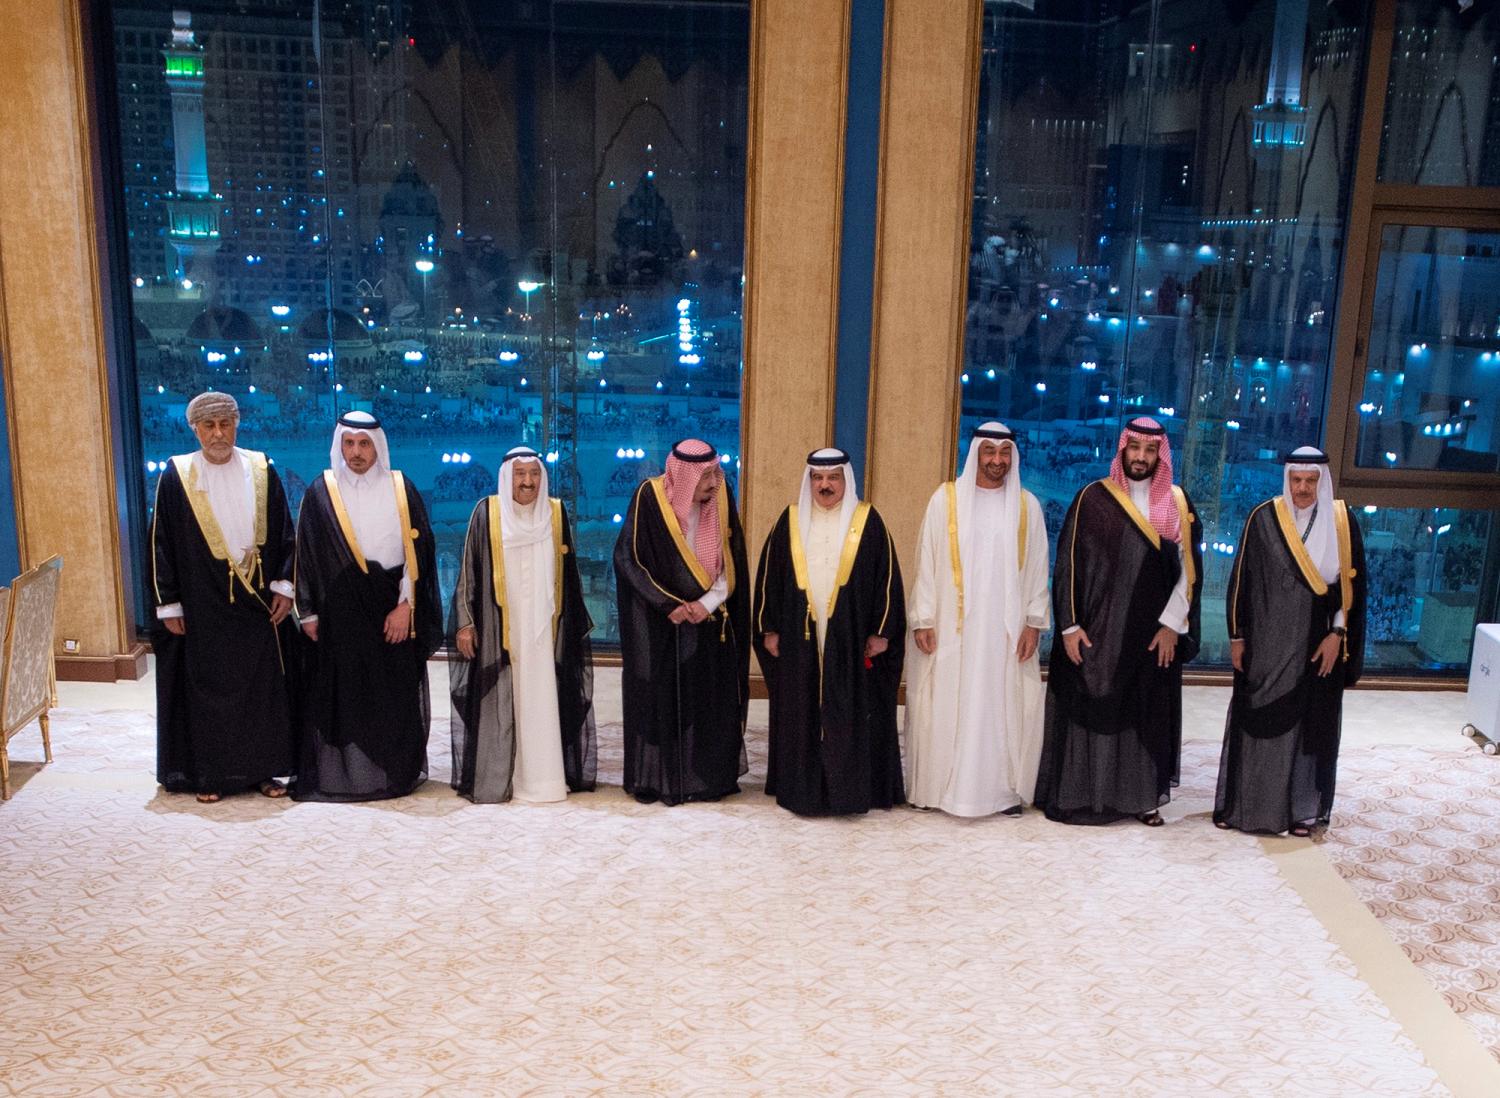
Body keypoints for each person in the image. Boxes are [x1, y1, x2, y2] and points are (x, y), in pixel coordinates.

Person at [1035, 416, 1203, 826]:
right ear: (1122, 450)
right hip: (1096, 632)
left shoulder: (1177, 503)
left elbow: (1189, 572)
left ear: (1159, 455)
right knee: (1091, 708)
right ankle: (1082, 795)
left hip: (1151, 635)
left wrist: (1171, 626)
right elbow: (1068, 566)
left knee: (1142, 712)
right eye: (1135, 449)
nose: (1141, 458)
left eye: (1150, 450)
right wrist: (1070, 626)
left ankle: (1140, 799)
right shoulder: (1093, 498)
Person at [152, 391, 298, 803]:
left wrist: (284, 586)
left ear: (236, 424)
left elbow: (285, 530)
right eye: (209, 425)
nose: (218, 434)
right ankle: (212, 773)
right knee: (211, 690)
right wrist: (169, 604)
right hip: (203, 602)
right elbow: (160, 544)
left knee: (262, 688)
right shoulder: (177, 474)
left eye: (225, 424)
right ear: (194, 429)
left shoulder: (261, 467)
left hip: (257, 603)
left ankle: (265, 770)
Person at [1214, 447, 1367, 836]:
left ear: (1322, 481)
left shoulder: (1341, 522)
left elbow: (1350, 591)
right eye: (1296, 480)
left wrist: (1337, 635)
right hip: (1264, 645)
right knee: (1257, 721)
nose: (1302, 488)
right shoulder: (1263, 518)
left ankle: (1300, 811)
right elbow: (1239, 583)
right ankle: (1244, 805)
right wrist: (1237, 636)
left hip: (1317, 646)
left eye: (1311, 481)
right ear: (1287, 479)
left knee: (1308, 728)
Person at [292, 411, 440, 801]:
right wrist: (308, 612)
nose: (356, 452)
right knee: (344, 695)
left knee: (391, 695)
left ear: (378, 446)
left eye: (364, 444)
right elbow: (305, 555)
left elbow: (420, 550)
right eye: (350, 443)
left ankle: (393, 773)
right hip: (339, 615)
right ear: (340, 445)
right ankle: (345, 777)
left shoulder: (400, 488)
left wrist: (407, 604)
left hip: (390, 609)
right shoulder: (321, 491)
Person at [905, 423, 1050, 817]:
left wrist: (1034, 623)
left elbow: (1038, 569)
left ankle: (1001, 793)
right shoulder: (945, 501)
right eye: (989, 452)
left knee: (1001, 705)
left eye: (1004, 453)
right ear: (975, 454)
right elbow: (927, 562)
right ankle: (940, 790)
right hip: (952, 629)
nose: (997, 460)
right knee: (947, 702)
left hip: (1004, 633)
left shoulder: (1027, 507)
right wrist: (922, 618)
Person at [752, 448, 905, 816]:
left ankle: (848, 791)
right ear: (809, 481)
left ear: (845, 480)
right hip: (800, 636)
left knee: (848, 711)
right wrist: (769, 629)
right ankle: (801, 789)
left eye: (833, 478)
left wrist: (881, 632)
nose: (824, 485)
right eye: (817, 478)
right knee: (801, 709)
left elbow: (888, 581)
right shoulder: (788, 522)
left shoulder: (868, 521)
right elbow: (768, 581)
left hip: (850, 641)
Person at [450, 447, 596, 803]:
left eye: (534, 474)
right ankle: (501, 775)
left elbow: (570, 575)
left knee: (543, 699)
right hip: (500, 625)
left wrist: (572, 628)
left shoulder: (555, 513)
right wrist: (466, 622)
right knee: (501, 697)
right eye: (520, 475)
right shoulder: (488, 512)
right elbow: (468, 569)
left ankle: (545, 780)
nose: (528, 482)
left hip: (544, 631)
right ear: (507, 478)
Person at [613, 439, 749, 805]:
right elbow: (629, 558)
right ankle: (658, 780)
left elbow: (730, 559)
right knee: (662, 702)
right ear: (684, 476)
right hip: (660, 624)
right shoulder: (649, 498)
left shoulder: (721, 499)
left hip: (706, 621)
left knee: (705, 704)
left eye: (715, 473)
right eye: (706, 476)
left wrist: (706, 603)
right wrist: (667, 604)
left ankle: (706, 780)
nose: (714, 482)